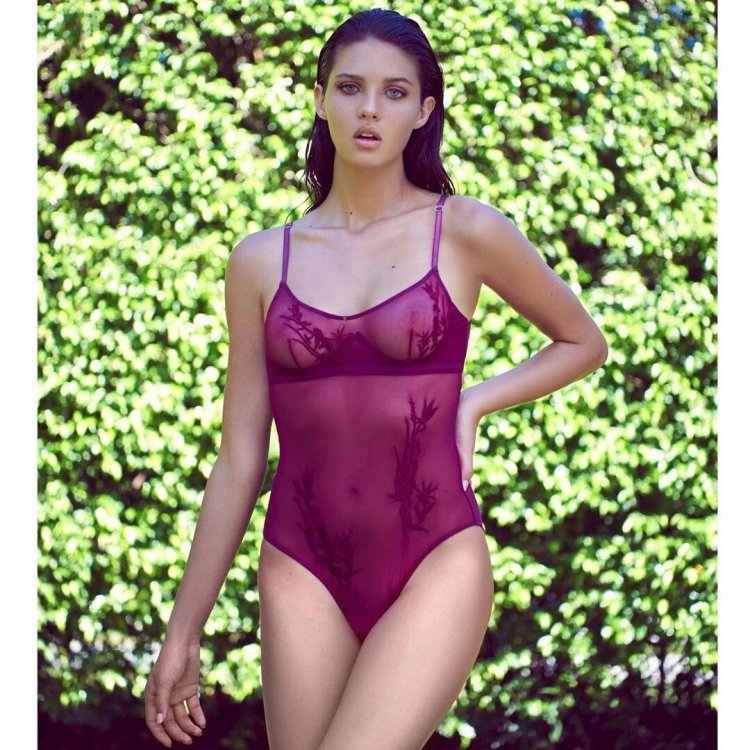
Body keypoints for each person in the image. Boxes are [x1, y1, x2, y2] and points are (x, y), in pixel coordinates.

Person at [144, 8, 608, 749]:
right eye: (350, 87)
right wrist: (183, 632)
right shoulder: (259, 262)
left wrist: (475, 402)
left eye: (394, 93)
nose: (369, 109)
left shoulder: (465, 231)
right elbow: (237, 459)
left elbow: (583, 341)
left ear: (423, 111)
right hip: (301, 566)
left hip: (436, 557)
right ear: (320, 98)